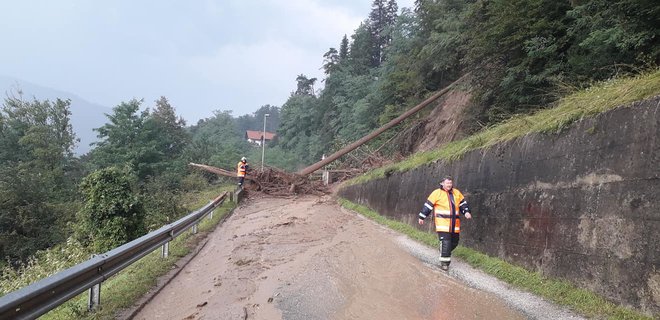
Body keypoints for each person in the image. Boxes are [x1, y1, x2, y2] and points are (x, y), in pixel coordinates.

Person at [417, 176, 472, 271]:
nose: (449, 185)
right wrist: (422, 216)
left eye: (450, 183)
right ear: (442, 183)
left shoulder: (456, 192)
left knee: (455, 242)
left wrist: (466, 212)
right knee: (446, 243)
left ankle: (444, 251)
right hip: (443, 224)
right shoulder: (436, 193)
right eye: (447, 183)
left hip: (455, 225)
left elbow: (463, 204)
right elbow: (428, 206)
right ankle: (445, 263)